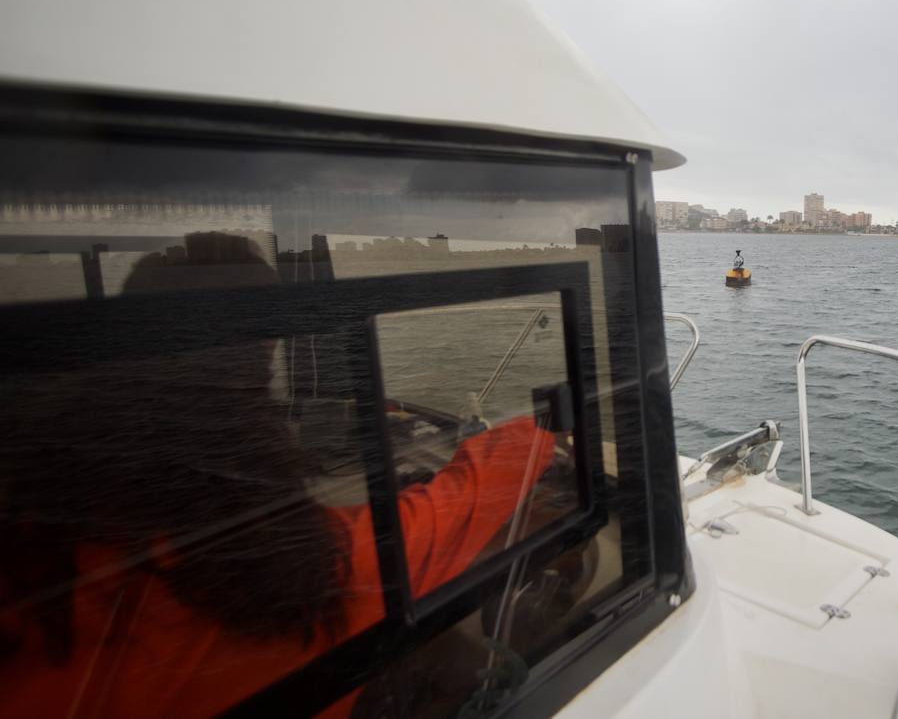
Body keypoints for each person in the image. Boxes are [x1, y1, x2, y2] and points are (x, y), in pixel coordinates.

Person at [0, 233, 556, 717]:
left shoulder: (35, 544)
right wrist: (542, 429)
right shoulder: (291, 571)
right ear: (263, 357)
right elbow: (444, 516)